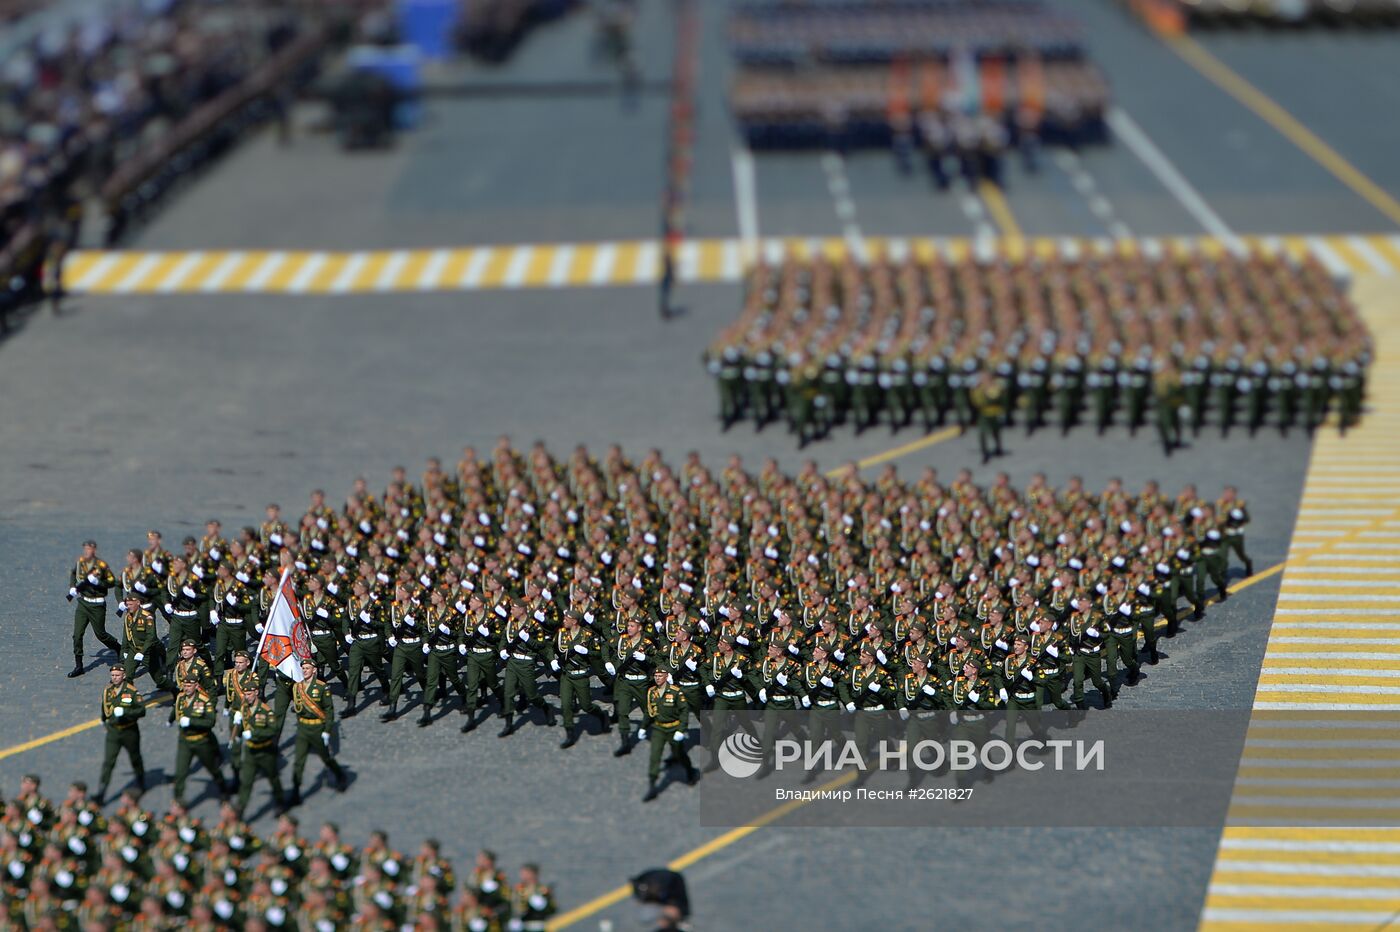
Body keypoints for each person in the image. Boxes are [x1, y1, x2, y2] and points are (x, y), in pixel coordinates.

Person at [290, 659, 347, 804]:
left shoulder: (322, 688)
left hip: (317, 727)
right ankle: (295, 792)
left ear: (314, 670)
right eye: (303, 668)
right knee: (298, 761)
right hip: (303, 728)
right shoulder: (297, 687)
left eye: (308, 668)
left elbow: (329, 710)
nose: (305, 671)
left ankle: (340, 775)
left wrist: (327, 730)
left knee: (326, 757)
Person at [172, 677, 232, 805]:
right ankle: (177, 803)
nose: (187, 688)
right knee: (180, 772)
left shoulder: (204, 701)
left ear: (196, 686)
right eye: (185, 685)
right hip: (185, 741)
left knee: (213, 769)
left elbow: (210, 722)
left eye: (189, 685)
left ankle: (223, 789)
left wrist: (191, 721)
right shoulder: (181, 698)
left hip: (201, 741)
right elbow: (177, 713)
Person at [641, 668, 697, 801]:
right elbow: (649, 712)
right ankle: (652, 786)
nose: (657, 678)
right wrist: (643, 727)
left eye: (660, 676)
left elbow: (684, 711)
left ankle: (690, 771)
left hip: (673, 728)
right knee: (655, 756)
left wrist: (681, 730)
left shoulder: (676, 692)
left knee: (679, 754)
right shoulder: (652, 692)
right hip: (659, 729)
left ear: (666, 677)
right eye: (655, 676)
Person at [68, 539, 122, 676]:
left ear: (94, 550)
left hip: (97, 604)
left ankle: (118, 647)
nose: (87, 551)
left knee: (100, 634)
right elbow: (74, 574)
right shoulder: (80, 562)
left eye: (89, 549)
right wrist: (73, 587)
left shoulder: (101, 565)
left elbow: (112, 582)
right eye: (85, 549)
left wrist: (98, 583)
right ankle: (78, 665)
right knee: (77, 634)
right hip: (83, 603)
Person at [97, 665, 146, 804]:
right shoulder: (107, 690)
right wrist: (103, 719)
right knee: (108, 762)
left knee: (135, 757)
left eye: (117, 675)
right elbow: (104, 705)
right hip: (113, 731)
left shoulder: (131, 692)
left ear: (124, 676)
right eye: (113, 675)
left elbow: (141, 711)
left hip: (129, 730)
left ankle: (141, 782)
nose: (115, 678)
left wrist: (125, 713)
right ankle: (101, 792)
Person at [236, 685, 287, 815]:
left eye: (249, 694)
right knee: (246, 780)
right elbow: (244, 726)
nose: (247, 697)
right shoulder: (244, 708)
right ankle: (241, 808)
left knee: (273, 777)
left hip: (265, 750)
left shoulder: (266, 711)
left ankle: (280, 801)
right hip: (250, 751)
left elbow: (272, 730)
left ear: (256, 692)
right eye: (245, 694)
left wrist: (255, 734)